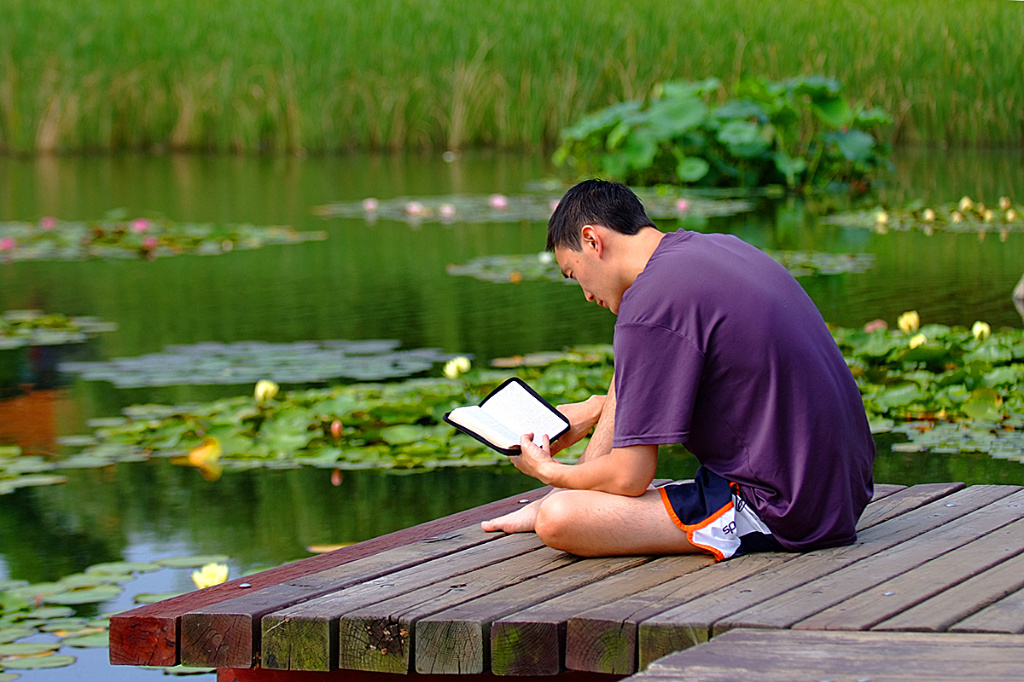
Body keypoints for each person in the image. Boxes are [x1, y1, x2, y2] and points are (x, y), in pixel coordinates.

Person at [482, 179, 875, 560]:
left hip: (785, 509)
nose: (586, 294)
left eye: (574, 274)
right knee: (628, 373)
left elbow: (630, 477)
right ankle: (562, 494)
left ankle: (553, 502)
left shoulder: (649, 306)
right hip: (843, 489)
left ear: (592, 240)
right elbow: (649, 379)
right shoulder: (713, 248)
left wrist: (551, 472)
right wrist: (593, 410)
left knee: (558, 520)